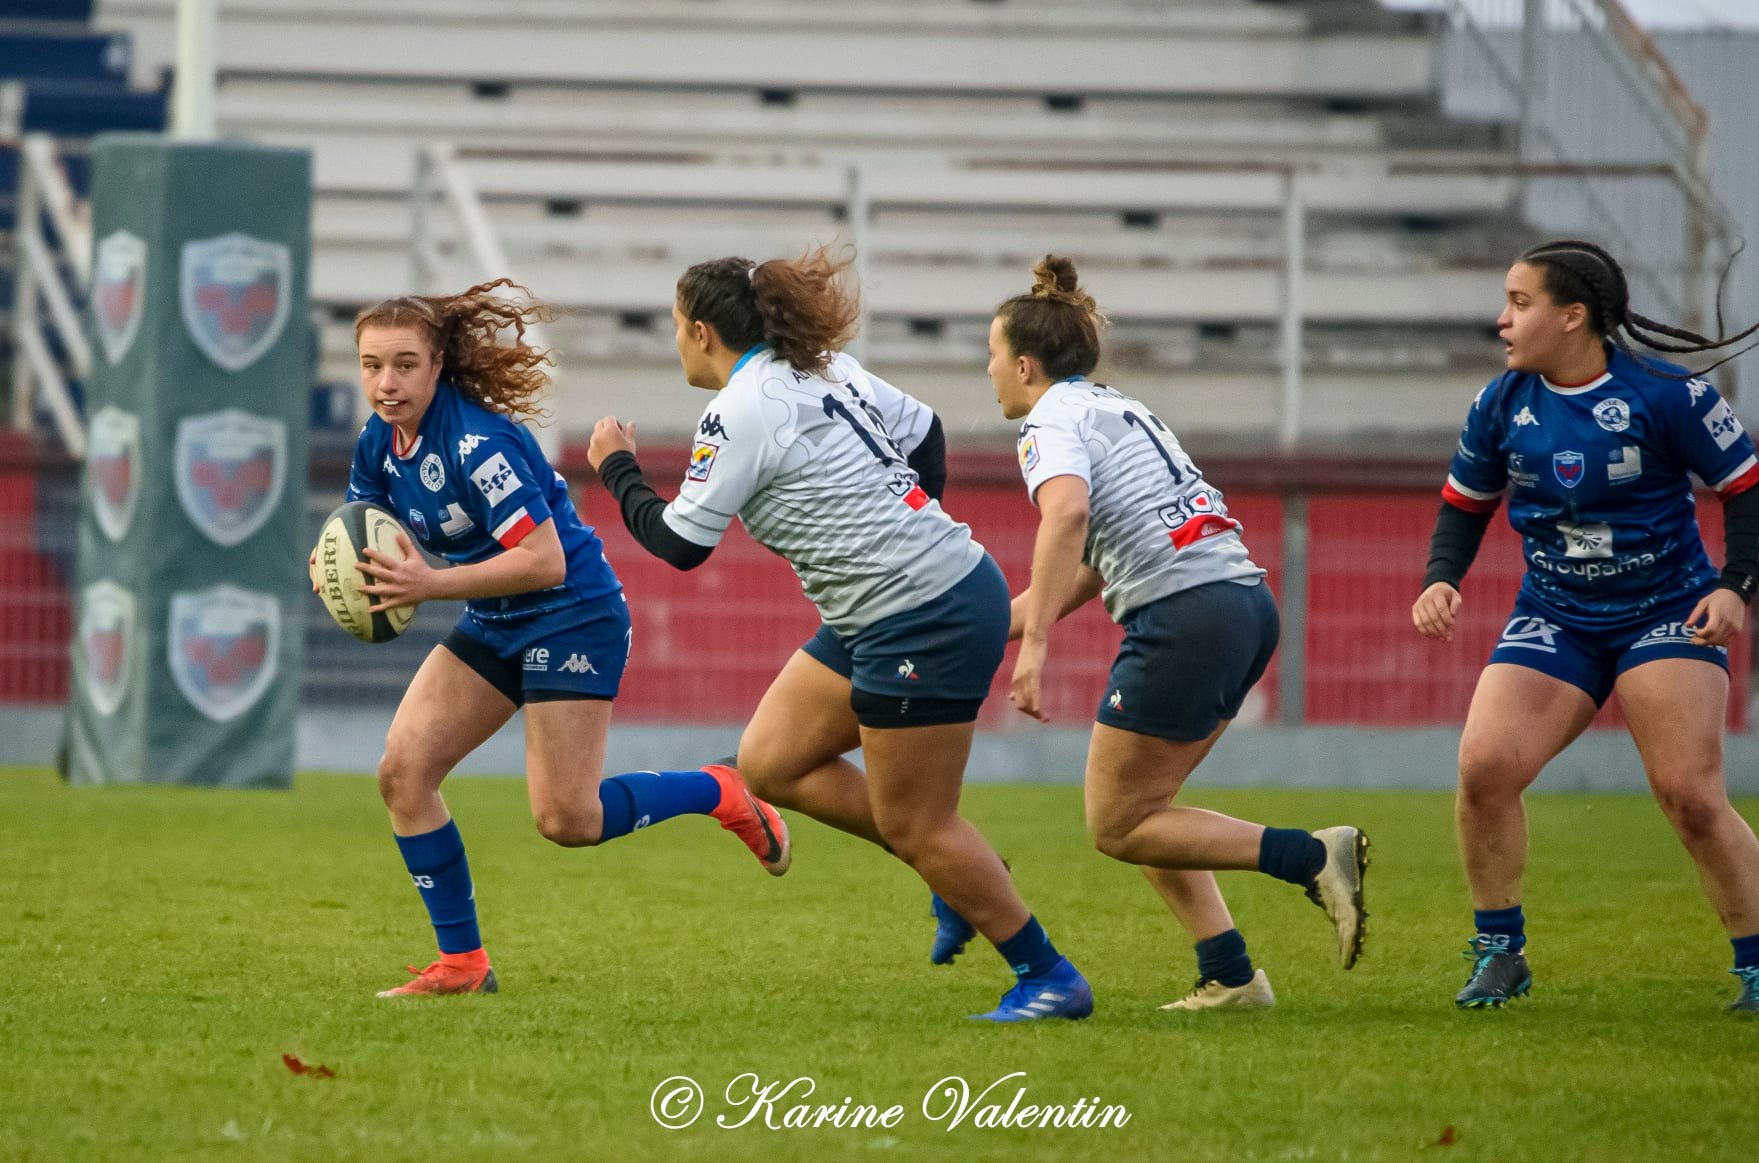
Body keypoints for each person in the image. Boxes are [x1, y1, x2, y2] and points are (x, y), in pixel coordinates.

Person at [587, 248, 1092, 1022]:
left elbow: (682, 545)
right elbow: (925, 435)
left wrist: (616, 466)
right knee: (771, 760)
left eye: (675, 328)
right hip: (894, 604)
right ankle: (960, 871)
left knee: (916, 821)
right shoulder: (824, 367)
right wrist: (897, 527)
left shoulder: (739, 406)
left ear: (698, 330)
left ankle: (1048, 975)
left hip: (921, 610)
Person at [326, 280, 790, 999]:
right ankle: (462, 964)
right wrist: (344, 579)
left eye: (405, 364)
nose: (386, 382)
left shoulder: (480, 443)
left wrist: (427, 586)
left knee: (566, 819)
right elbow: (362, 534)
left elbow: (544, 560)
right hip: (498, 614)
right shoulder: (377, 445)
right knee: (402, 773)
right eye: (371, 364)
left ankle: (719, 788)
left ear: (438, 363)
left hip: (570, 611)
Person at [968, 255, 1369, 1012]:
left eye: (991, 353)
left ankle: (1310, 855)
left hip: (1186, 615)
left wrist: (1036, 648)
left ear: (1024, 364)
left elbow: (1067, 518)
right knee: (1152, 813)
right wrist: (988, 625)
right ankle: (1229, 974)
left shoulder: (1047, 422)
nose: (986, 369)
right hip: (1241, 604)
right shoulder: (1119, 409)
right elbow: (1088, 568)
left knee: (1119, 822)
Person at [1412, 239, 1759, 1013]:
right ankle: (1501, 952)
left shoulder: (1664, 394)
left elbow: (1746, 488)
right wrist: (1440, 578)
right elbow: (1464, 504)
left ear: (1572, 317)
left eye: (1519, 303)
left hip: (1666, 611)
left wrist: (1736, 586)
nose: (1501, 320)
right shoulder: (1501, 402)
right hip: (1555, 614)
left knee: (1689, 795)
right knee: (1484, 767)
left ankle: (1757, 963)